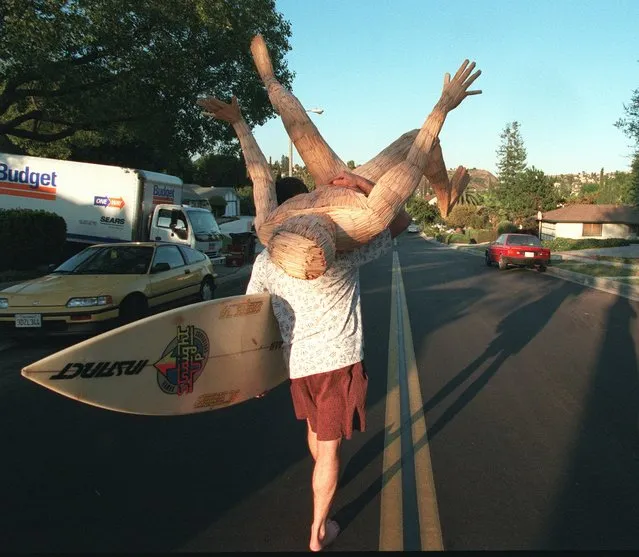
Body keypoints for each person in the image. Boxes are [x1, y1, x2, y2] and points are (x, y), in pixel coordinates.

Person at [246, 171, 411, 551]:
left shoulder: (265, 261)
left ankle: (324, 472)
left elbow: (251, 316)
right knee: (330, 449)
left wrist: (254, 375)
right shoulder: (336, 253)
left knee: (318, 434)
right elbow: (400, 223)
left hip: (298, 366)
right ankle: (319, 531)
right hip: (337, 364)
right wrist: (363, 186)